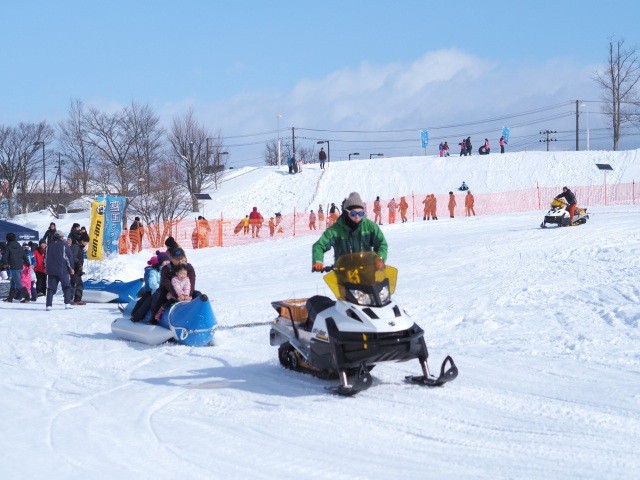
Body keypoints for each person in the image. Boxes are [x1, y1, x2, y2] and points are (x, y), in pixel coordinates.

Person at [312, 192, 388, 271]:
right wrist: (318, 261)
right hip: (343, 275)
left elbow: (382, 244)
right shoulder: (335, 230)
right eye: (353, 213)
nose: (357, 216)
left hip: (367, 273)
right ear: (346, 213)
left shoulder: (370, 227)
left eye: (361, 213)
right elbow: (319, 246)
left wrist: (380, 258)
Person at [150, 247, 197, 323]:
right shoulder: (166, 269)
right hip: (168, 291)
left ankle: (197, 316)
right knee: (159, 294)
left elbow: (192, 282)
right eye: (177, 259)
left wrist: (187, 295)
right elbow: (168, 285)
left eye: (182, 259)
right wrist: (178, 296)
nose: (180, 261)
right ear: (171, 258)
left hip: (185, 291)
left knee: (198, 294)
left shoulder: (189, 268)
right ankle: (153, 316)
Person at [131, 252, 169, 322]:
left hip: (169, 293)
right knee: (148, 300)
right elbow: (152, 283)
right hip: (157, 292)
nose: (167, 262)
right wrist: (160, 288)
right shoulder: (154, 272)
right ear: (160, 262)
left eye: (168, 261)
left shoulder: (169, 270)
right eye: (165, 261)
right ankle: (137, 316)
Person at [44, 231, 74, 310]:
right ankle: (67, 303)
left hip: (51, 271)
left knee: (50, 288)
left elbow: (45, 259)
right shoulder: (64, 245)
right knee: (66, 287)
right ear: (61, 237)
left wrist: (46, 268)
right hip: (62, 270)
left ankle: (48, 305)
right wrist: (71, 268)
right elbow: (68, 257)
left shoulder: (49, 246)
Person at [1, 233, 30, 303]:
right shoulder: (19, 246)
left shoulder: (8, 247)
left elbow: (4, 258)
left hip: (14, 267)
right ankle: (10, 298)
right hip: (20, 266)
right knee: (13, 283)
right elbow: (24, 255)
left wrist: (1, 264)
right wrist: (27, 263)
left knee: (18, 284)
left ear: (7, 239)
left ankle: (27, 297)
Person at [70, 232, 90, 305]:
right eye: (86, 242)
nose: (86, 244)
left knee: (78, 284)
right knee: (75, 284)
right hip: (74, 268)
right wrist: (78, 264)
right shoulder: (75, 246)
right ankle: (71, 299)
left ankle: (76, 299)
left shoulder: (79, 247)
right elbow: (73, 257)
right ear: (82, 241)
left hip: (77, 269)